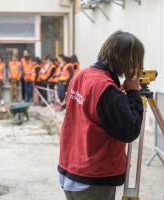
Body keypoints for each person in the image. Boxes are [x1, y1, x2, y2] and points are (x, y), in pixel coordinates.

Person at [58, 31, 145, 200]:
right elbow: (129, 130)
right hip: (93, 178)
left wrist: (118, 97)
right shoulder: (106, 89)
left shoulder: (82, 75)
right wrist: (133, 93)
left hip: (71, 169)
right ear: (127, 60)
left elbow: (89, 112)